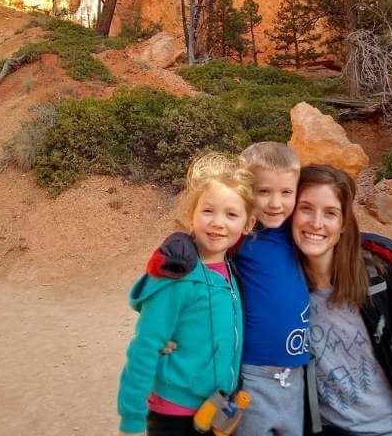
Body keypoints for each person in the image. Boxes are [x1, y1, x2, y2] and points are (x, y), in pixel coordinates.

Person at [146, 142, 311, 436]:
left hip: (294, 377)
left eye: (286, 192)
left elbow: (325, 232)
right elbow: (204, 238)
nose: (276, 203)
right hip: (250, 374)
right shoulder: (241, 236)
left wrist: (363, 243)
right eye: (264, 192)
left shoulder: (295, 229)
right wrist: (178, 242)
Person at [292, 164, 392, 436]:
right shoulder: (278, 289)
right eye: (306, 208)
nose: (316, 223)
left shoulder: (376, 274)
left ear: (342, 225)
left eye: (330, 213)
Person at [117, 152, 256, 436]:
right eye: (208, 211)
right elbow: (145, 348)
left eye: (231, 214)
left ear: (248, 223)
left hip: (216, 408)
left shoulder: (230, 267)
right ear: (190, 214)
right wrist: (131, 421)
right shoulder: (178, 275)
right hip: (173, 413)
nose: (218, 222)